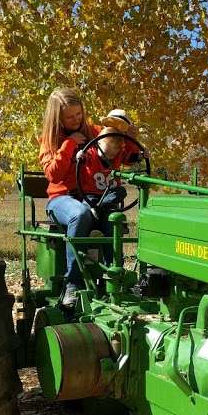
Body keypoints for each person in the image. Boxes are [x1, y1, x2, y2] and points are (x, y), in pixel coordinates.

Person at [39, 89, 138, 307]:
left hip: (92, 197)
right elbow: (53, 175)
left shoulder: (94, 132)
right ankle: (72, 284)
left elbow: (118, 152)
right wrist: (70, 144)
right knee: (80, 214)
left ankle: (115, 278)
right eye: (70, 117)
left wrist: (129, 137)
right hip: (61, 199)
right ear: (58, 118)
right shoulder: (50, 140)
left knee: (112, 219)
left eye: (79, 114)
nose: (76, 120)